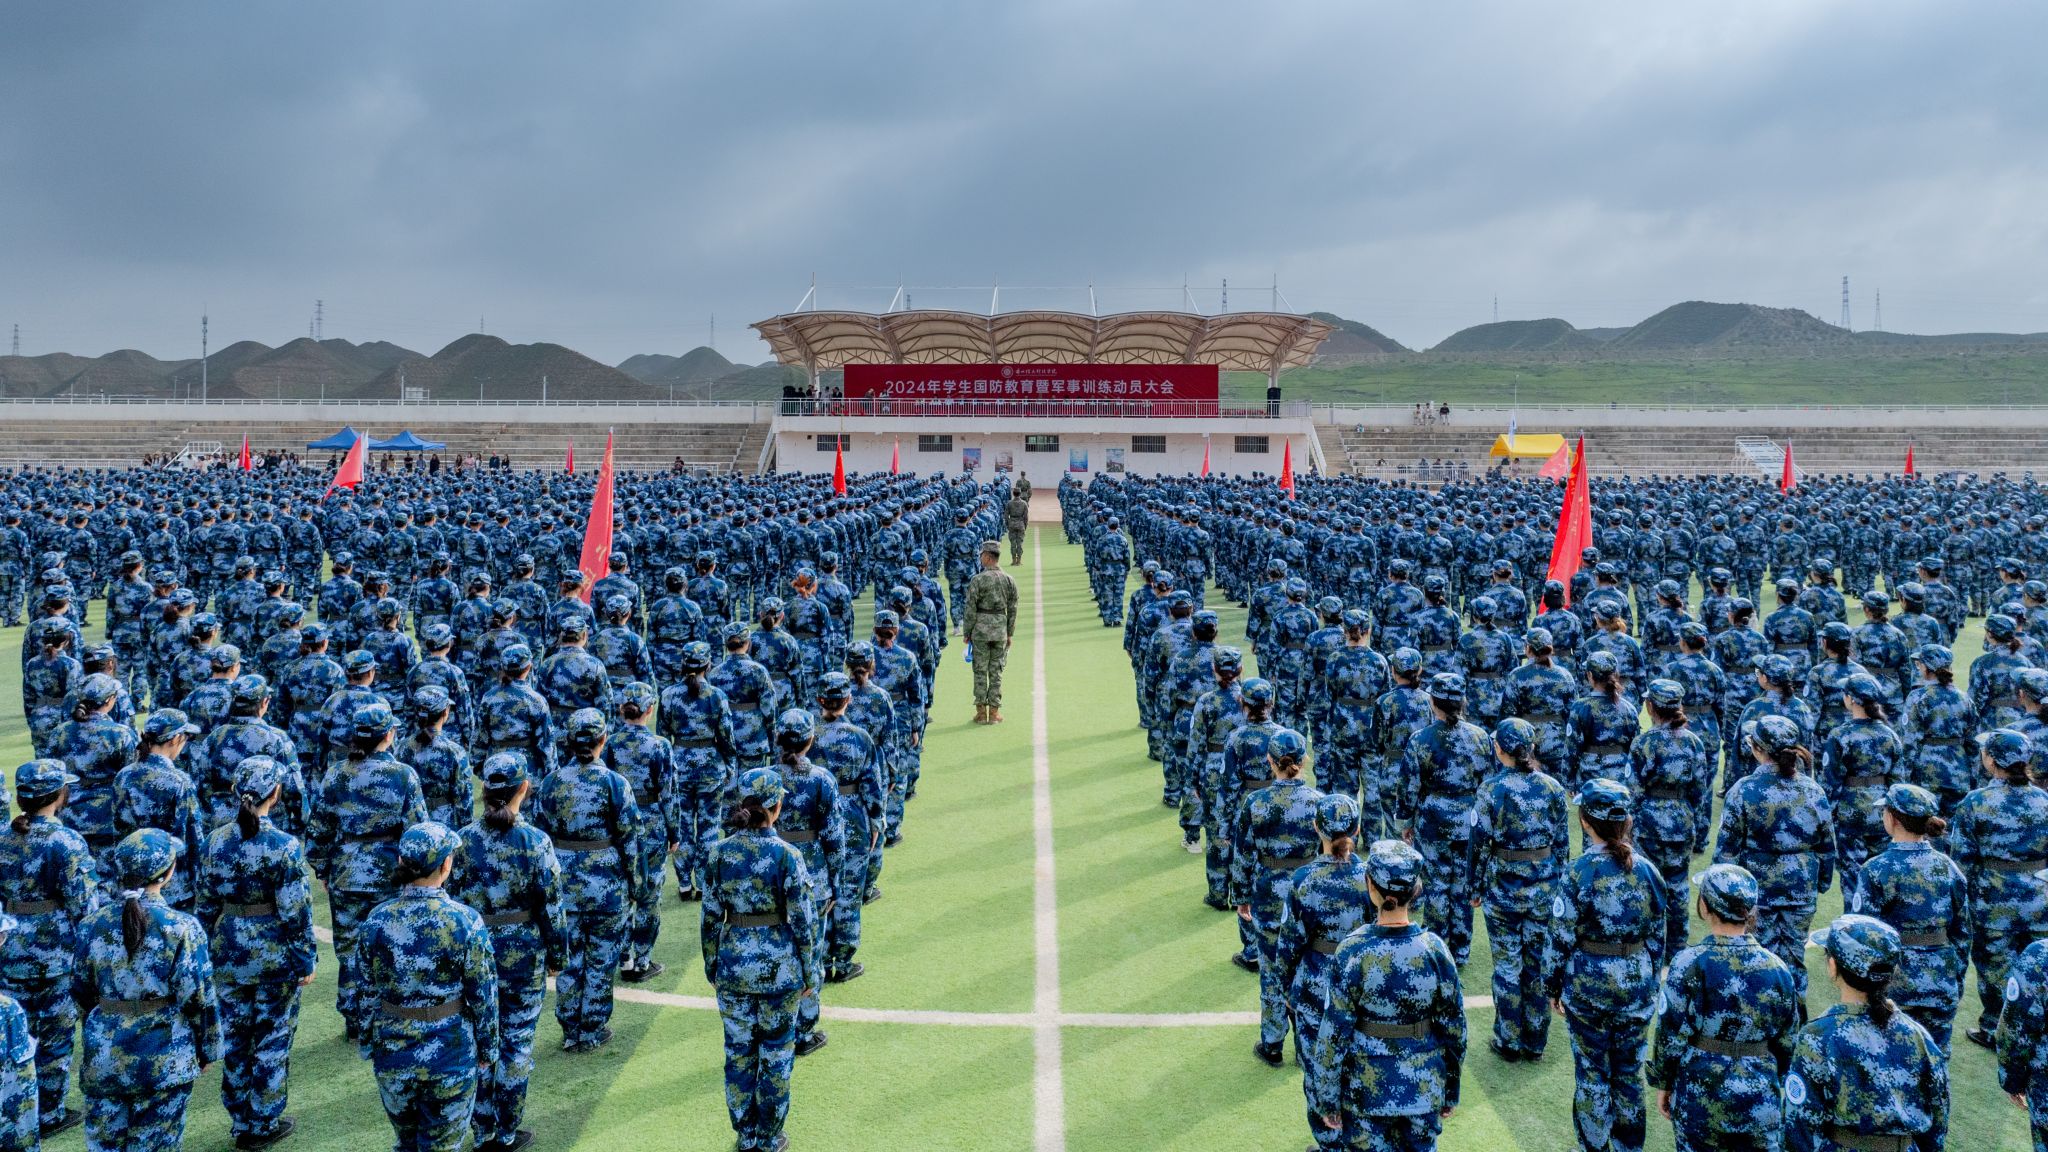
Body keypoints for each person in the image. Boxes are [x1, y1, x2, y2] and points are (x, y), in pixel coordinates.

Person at [1307, 837, 1464, 1152]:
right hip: (1423, 1089)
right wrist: (1450, 1091)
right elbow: (1455, 1030)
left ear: (1370, 886)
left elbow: (1332, 1035)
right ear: (1415, 890)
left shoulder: (1353, 951)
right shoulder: (1435, 950)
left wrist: (1327, 1100)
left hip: (1366, 1091)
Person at [194, 756, 316, 1150]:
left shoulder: (215, 841)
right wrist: (305, 958)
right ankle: (263, 1121)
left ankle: (241, 1120)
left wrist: (205, 952)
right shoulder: (284, 846)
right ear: (275, 794)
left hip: (228, 951)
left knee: (236, 1039)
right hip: (273, 954)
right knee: (272, 1038)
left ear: (236, 792)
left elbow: (205, 906)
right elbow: (296, 911)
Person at [74, 828, 222, 1152]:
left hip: (105, 1058)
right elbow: (199, 998)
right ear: (167, 874)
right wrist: (207, 1049)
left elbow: (81, 992)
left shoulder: (91, 925)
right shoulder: (181, 927)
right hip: (164, 1060)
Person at [356, 822, 500, 1152]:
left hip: (393, 1052)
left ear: (401, 862)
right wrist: (488, 1049)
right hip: (450, 1053)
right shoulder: (464, 921)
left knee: (407, 1143)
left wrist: (368, 1040)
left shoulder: (376, 920)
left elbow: (363, 991)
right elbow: (484, 995)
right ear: (446, 865)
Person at [451, 754, 566, 1152]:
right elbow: (552, 906)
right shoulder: (535, 841)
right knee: (516, 1043)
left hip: (475, 955)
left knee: (480, 1041)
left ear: (484, 791)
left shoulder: (462, 841)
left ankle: (483, 1132)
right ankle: (506, 1133)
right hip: (523, 956)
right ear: (524, 789)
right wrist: (557, 955)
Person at [702, 767, 820, 1152]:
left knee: (738, 1053)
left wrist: (712, 965)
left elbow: (709, 917)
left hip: (733, 967)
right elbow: (804, 922)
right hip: (780, 971)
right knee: (776, 1052)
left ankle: (746, 1133)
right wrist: (810, 973)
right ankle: (769, 1135)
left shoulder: (719, 852)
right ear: (776, 807)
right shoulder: (788, 855)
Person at [1646, 863, 1801, 1152]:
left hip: (1700, 1098)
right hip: (1759, 1099)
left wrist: (1663, 1083)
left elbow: (1669, 1035)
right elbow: (1787, 1041)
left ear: (1704, 906)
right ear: (1750, 912)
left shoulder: (1688, 963)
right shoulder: (1778, 968)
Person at [1549, 778, 1667, 1152]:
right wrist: (1647, 981)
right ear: (1626, 821)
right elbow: (1658, 940)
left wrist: (1552, 985)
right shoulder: (1648, 871)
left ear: (1585, 821)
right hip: (1636, 987)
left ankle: (1594, 1146)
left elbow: (1560, 939)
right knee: (1629, 1074)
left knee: (1592, 1075)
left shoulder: (1578, 871)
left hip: (1588, 989)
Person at [306, 700, 427, 1043]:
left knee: (350, 950)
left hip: (346, 873)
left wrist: (323, 869)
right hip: (391, 875)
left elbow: (318, 830)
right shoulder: (403, 775)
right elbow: (418, 834)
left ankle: (354, 1019)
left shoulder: (336, 774)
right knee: (393, 946)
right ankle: (389, 1016)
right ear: (389, 735)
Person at [1786, 915, 1948, 1152]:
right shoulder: (1919, 1036)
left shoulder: (1817, 1036)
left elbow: (1799, 1127)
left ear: (1833, 966)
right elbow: (1938, 1118)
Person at [532, 708, 640, 1053]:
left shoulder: (551, 783)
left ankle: (570, 1029)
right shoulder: (615, 783)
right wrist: (636, 884)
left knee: (569, 959)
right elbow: (630, 840)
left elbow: (540, 838)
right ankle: (591, 1028)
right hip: (606, 885)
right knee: (601, 960)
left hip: (563, 885)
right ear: (602, 740)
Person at [0, 758, 96, 1138]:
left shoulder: (4, 838)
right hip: (56, 953)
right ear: (58, 795)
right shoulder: (66, 841)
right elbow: (84, 906)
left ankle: (16, 1109)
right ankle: (49, 1113)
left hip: (9, 949)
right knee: (55, 1036)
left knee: (16, 1033)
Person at [1716, 714, 1836, 1002]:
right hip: (1800, 888)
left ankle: (1760, 1016)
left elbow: (1726, 850)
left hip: (1756, 891)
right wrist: (1821, 883)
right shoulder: (1813, 790)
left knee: (1756, 958)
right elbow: (1826, 846)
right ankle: (1794, 1014)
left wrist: (1723, 894)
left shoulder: (1743, 790)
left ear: (1757, 749)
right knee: (1794, 957)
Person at [1468, 716, 1568, 1062]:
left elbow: (1479, 843)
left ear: (1499, 749)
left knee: (1507, 966)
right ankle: (1535, 1041)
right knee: (1537, 965)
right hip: (1543, 889)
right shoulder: (1552, 787)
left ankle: (1508, 1040)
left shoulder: (1491, 789)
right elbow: (1562, 845)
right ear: (1531, 748)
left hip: (1503, 891)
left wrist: (1474, 886)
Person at [1228, 727, 1324, 1065]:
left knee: (1271, 972)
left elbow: (1242, 856)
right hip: (1308, 896)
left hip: (1269, 897)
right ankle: (1307, 1046)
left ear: (1270, 762)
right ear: (1303, 761)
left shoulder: (1256, 803)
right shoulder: (1319, 802)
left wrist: (1241, 897)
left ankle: (1272, 1044)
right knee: (1307, 968)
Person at [1951, 727, 2048, 1049]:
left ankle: (1995, 1028)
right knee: (2039, 964)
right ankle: (2035, 1029)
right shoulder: (2044, 800)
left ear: (1992, 761)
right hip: (2040, 897)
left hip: (1992, 900)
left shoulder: (1976, 802)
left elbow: (1961, 862)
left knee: (1994, 966)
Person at [1857, 783, 1970, 1055]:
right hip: (1940, 980)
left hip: (1893, 986)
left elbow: (1865, 937)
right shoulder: (1949, 868)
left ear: (1893, 818)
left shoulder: (1876, 869)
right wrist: (1954, 979)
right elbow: (1962, 934)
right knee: (1935, 1060)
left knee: (1888, 1061)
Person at [1397, 673, 1491, 967]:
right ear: (1462, 702)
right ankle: (1460, 951)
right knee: (1463, 886)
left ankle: (1437, 949)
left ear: (1433, 702)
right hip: (1468, 822)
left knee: (1436, 886)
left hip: (1432, 823)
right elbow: (1487, 785)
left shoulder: (1420, 740)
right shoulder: (1480, 737)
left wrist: (1405, 822)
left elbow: (1408, 787)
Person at [767, 709, 846, 1057]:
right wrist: (836, 884)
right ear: (810, 740)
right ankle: (803, 1031)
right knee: (810, 955)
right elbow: (834, 840)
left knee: (774, 949)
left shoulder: (763, 778)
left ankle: (775, 1025)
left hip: (770, 877)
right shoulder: (821, 780)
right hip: (811, 880)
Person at [604, 682, 676, 983]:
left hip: (618, 824)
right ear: (650, 710)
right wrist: (674, 832)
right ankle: (642, 960)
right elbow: (668, 794)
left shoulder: (610, 743)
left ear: (622, 709)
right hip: (651, 824)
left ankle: (624, 958)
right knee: (649, 895)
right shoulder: (660, 745)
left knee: (623, 891)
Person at [964, 540, 1018, 724]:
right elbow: (1013, 609)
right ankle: (994, 713)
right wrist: (1009, 633)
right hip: (1000, 629)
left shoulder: (978, 579)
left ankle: (981, 713)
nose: (980, 557)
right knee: (996, 672)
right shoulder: (1009, 580)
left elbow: (970, 608)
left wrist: (967, 632)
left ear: (987, 557)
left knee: (980, 671)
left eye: (982, 555)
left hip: (980, 629)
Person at [1004, 488, 1030, 566]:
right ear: (1020, 493)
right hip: (1021, 524)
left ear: (1013, 493)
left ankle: (1013, 560)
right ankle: (1019, 560)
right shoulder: (1024, 503)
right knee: (1020, 543)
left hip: (1012, 523)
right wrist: (1025, 525)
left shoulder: (1009, 503)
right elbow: (1026, 517)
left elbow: (1006, 516)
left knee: (1013, 543)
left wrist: (1008, 524)